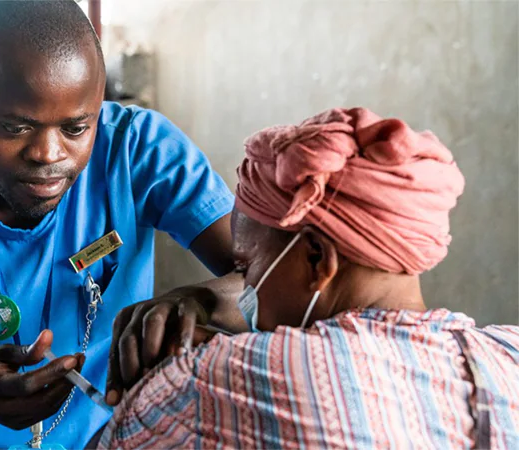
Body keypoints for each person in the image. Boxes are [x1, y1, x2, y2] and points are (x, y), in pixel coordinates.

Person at [0, 1, 245, 449]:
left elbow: (268, 281)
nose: (48, 154)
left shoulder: (139, 152)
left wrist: (197, 301)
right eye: (16, 127)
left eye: (76, 128)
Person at [99, 108, 519, 448]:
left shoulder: (223, 376)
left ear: (318, 260)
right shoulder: (507, 355)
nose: (244, 290)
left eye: (246, 267)